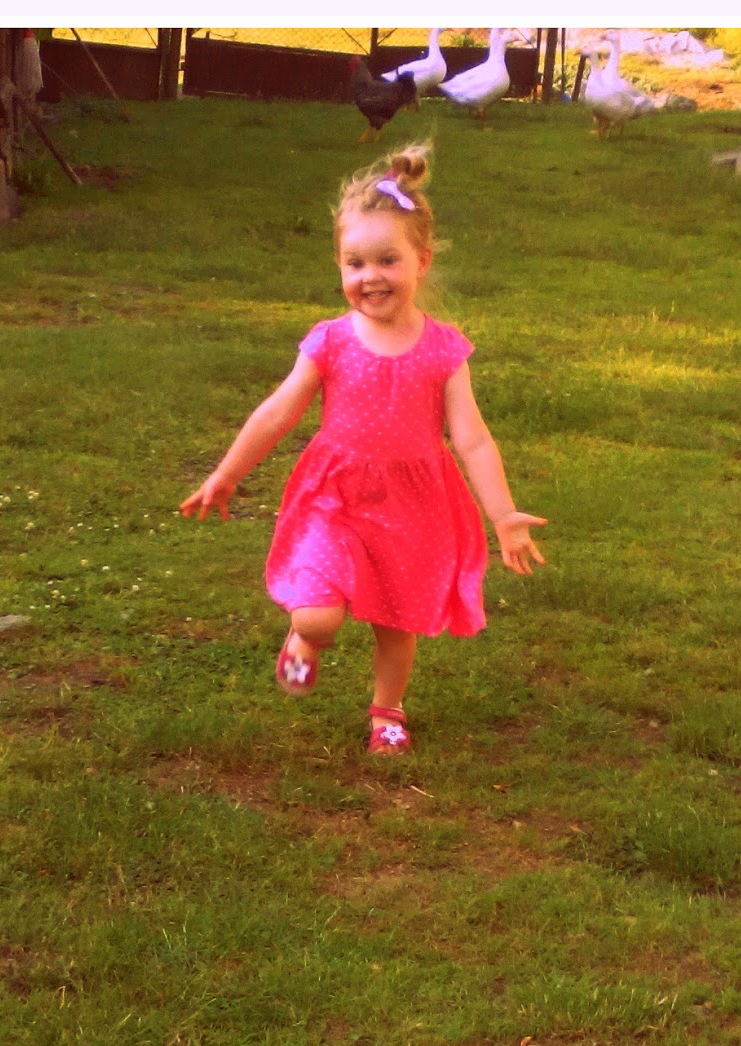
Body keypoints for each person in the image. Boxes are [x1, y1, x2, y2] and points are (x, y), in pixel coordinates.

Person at [180, 142, 546, 754]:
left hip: (414, 505)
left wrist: (503, 515)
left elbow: (473, 438)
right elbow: (278, 412)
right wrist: (227, 473)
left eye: (387, 260)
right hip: (335, 495)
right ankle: (305, 640)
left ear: (421, 261)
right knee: (317, 613)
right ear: (339, 266)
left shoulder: (444, 350)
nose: (370, 276)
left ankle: (387, 712)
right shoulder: (330, 342)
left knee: (397, 623)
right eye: (354, 263)